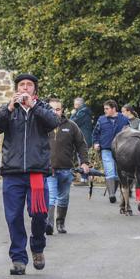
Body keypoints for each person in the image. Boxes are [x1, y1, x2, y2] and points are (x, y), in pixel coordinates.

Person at [0, 73, 59, 275]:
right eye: (22, 85)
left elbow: (53, 122)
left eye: (29, 85)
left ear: (34, 90)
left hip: (37, 171)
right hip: (13, 171)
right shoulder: (9, 110)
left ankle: (37, 247)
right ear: (17, 89)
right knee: (13, 217)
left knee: (39, 214)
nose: (25, 88)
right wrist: (9, 108)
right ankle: (18, 258)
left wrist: (33, 106)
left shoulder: (42, 108)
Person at [46, 98, 90, 235]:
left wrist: (84, 162)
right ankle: (49, 224)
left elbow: (81, 144)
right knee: (51, 196)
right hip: (49, 170)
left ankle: (60, 223)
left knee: (63, 198)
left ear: (62, 110)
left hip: (66, 169)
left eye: (58, 109)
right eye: (51, 109)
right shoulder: (41, 125)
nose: (54, 112)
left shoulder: (71, 126)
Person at [92, 100, 130, 203]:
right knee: (109, 171)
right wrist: (96, 143)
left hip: (120, 151)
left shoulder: (124, 120)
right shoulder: (101, 119)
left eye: (107, 109)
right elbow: (95, 133)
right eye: (104, 109)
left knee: (118, 173)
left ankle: (113, 190)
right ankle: (111, 195)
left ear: (113, 109)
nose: (105, 111)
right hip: (106, 149)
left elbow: (128, 134)